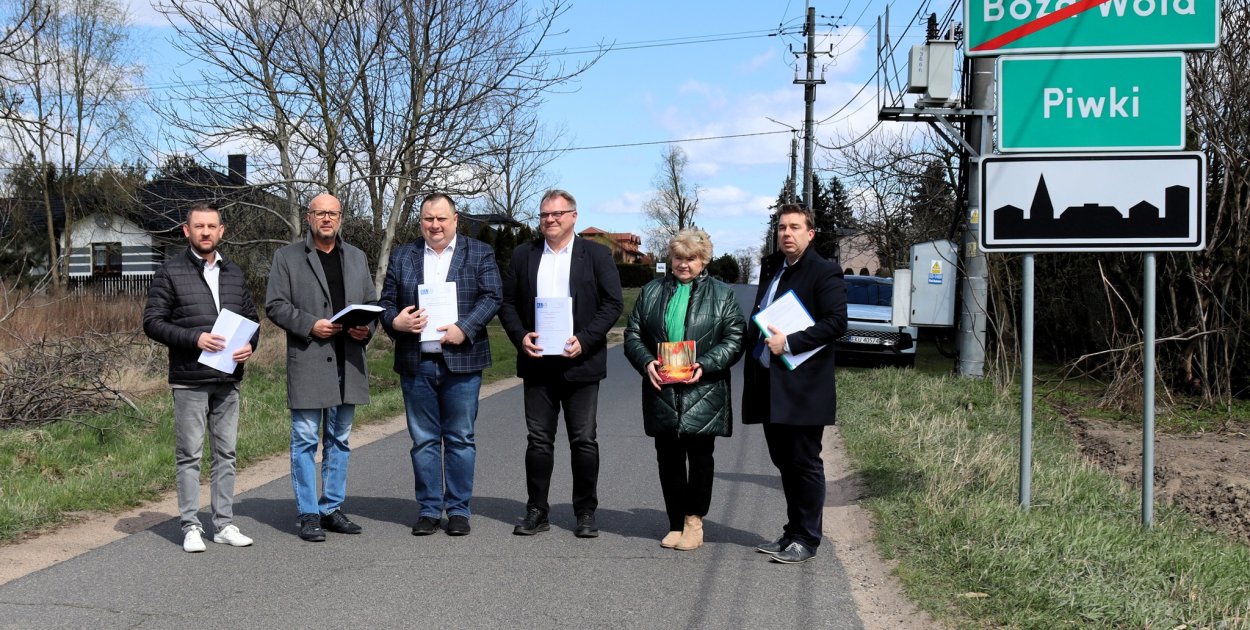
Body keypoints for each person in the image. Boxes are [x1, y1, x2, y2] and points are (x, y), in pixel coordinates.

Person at [498, 189, 623, 538]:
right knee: (538, 440)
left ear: (573, 216)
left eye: (557, 214)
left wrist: (585, 339)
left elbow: (613, 304)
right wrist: (521, 335)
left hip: (580, 363)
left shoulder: (596, 255)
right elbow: (506, 303)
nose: (550, 220)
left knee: (583, 440)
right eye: (544, 215)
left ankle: (585, 512)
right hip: (538, 363)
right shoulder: (524, 255)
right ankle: (537, 510)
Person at [379, 193, 502, 537]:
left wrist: (466, 327)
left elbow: (493, 295)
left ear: (455, 219)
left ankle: (459, 510)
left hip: (462, 361)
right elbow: (386, 302)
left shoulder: (479, 252)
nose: (434, 225)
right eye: (428, 219)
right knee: (423, 440)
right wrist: (395, 322)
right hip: (416, 361)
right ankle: (430, 509)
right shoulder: (404, 255)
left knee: (461, 438)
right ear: (420, 221)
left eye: (441, 219)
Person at [143, 202, 259, 553]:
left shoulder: (235, 273)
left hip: (227, 379)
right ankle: (191, 526)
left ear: (221, 231)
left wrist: (249, 346)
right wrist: (194, 338)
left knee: (226, 454)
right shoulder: (170, 272)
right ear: (186, 231)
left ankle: (223, 524)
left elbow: (253, 320)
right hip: (189, 379)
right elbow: (152, 322)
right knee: (189, 455)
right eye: (199, 226)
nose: (205, 232)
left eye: (211, 226)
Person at [623, 229, 745, 551]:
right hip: (662, 388)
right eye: (678, 257)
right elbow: (632, 333)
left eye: (691, 258)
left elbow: (735, 338)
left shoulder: (722, 294)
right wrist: (646, 361)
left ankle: (694, 521)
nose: (684, 264)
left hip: (702, 388)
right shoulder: (651, 291)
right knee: (668, 458)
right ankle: (675, 522)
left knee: (700, 457)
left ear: (703, 260)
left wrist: (705, 364)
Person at [265, 193, 375, 542]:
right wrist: (310, 324)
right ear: (308, 217)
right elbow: (275, 305)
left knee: (339, 439)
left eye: (333, 213)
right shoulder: (287, 257)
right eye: (320, 213)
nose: (327, 219)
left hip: (349, 359)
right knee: (305, 439)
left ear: (341, 217)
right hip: (311, 358)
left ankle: (331, 508)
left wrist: (366, 329)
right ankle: (308, 513)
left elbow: (372, 303)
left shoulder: (357, 257)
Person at [742, 203, 848, 564]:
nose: (787, 233)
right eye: (782, 227)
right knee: (784, 462)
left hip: (803, 387)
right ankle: (792, 533)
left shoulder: (824, 271)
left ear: (810, 233)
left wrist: (789, 342)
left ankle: (808, 538)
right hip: (770, 383)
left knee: (804, 462)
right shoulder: (774, 268)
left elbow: (836, 323)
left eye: (795, 227)